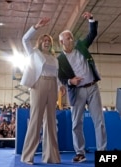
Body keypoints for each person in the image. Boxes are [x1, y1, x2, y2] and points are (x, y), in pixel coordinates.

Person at [57, 11, 107, 163]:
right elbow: (61, 78)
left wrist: (91, 19)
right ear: (61, 42)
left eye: (71, 36)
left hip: (92, 88)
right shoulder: (60, 59)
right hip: (76, 92)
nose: (71, 39)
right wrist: (70, 82)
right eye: (68, 38)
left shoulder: (80, 45)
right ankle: (80, 152)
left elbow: (92, 34)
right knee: (76, 124)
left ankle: (102, 154)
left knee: (99, 121)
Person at [20, 17, 62, 165]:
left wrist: (60, 87)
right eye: (44, 40)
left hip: (52, 87)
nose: (47, 42)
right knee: (36, 120)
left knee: (51, 121)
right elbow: (24, 39)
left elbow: (57, 76)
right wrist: (36, 27)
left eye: (49, 40)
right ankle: (27, 156)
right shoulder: (34, 53)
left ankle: (51, 157)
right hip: (39, 85)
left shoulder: (54, 58)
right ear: (40, 42)